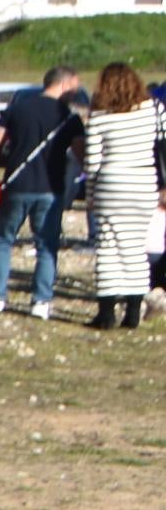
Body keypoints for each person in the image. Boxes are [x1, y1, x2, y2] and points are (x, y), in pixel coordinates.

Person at [0, 68, 79, 316]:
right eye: (75, 86)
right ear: (64, 84)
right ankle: (41, 300)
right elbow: (83, 153)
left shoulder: (18, 109)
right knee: (46, 245)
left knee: (3, 240)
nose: (76, 91)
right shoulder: (68, 116)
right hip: (51, 187)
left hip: (17, 184)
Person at [80, 62, 164, 330]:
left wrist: (90, 195)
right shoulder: (154, 109)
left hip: (111, 183)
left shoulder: (100, 114)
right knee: (135, 247)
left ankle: (106, 313)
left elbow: (92, 162)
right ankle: (132, 313)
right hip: (143, 183)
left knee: (108, 247)